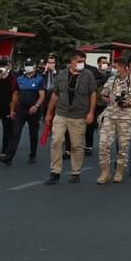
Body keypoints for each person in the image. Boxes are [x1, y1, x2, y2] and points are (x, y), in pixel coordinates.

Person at [44, 53, 97, 184]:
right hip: (61, 113)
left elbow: (93, 94)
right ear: (72, 61)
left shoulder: (88, 75)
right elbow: (55, 95)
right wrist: (48, 113)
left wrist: (91, 113)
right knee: (56, 141)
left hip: (79, 115)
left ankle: (76, 172)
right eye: (79, 61)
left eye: (83, 61)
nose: (81, 63)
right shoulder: (61, 75)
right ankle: (55, 171)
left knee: (77, 145)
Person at [97, 58, 131, 184]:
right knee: (103, 144)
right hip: (109, 115)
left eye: (115, 67)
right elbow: (104, 94)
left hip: (125, 117)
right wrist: (106, 99)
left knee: (123, 147)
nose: (113, 69)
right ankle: (105, 172)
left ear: (123, 67)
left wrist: (128, 103)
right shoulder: (111, 79)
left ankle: (119, 171)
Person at [3, 57, 45, 165]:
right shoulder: (19, 79)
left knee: (33, 133)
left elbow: (42, 95)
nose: (28, 67)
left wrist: (36, 106)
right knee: (15, 132)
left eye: (30, 65)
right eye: (26, 65)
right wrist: (12, 110)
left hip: (33, 110)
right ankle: (9, 156)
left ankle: (33, 155)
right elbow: (15, 95)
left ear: (35, 67)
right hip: (21, 109)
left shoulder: (39, 79)